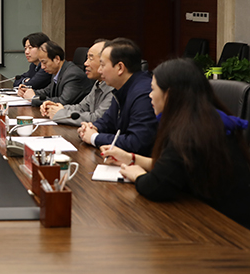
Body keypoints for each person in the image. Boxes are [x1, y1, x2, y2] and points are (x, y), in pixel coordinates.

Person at [102, 58, 250, 229]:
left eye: (153, 89)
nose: (150, 95)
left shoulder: (188, 133)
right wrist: (130, 158)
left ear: (169, 94)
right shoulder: (204, 119)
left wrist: (137, 175)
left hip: (226, 227)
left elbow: (156, 187)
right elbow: (173, 167)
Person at [78, 38, 157, 155]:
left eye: (102, 65)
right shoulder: (122, 87)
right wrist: (92, 127)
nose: (99, 70)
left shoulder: (143, 94)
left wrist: (94, 137)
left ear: (120, 68)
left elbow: (137, 142)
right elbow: (107, 121)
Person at [41, 39, 114, 126]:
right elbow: (82, 107)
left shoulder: (114, 87)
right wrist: (57, 107)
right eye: (87, 58)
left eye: (91, 58)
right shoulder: (99, 82)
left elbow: (97, 119)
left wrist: (59, 114)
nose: (85, 63)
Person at [17, 40, 92, 108]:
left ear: (57, 59)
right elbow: (47, 91)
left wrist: (34, 98)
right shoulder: (57, 70)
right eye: (41, 63)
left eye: (44, 62)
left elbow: (63, 102)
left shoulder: (72, 75)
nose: (42, 67)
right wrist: (27, 91)